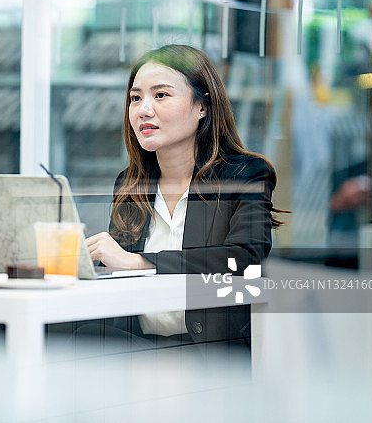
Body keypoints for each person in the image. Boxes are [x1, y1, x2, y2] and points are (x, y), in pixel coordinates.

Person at [84, 44, 284, 351]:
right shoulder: (130, 183)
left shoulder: (245, 175)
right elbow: (118, 275)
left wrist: (138, 261)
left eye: (160, 95)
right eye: (135, 98)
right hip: (138, 347)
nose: (143, 109)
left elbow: (244, 259)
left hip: (206, 356)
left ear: (202, 106)